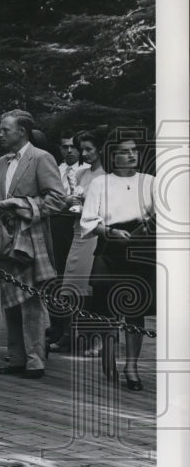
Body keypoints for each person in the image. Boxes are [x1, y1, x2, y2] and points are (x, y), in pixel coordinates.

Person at [0, 110, 66, 379]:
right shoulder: (2, 162)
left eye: (5, 129)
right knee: (9, 300)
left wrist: (22, 206)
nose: (0, 134)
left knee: (31, 301)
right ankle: (16, 358)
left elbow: (58, 199)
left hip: (31, 240)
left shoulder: (42, 158)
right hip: (5, 240)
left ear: (21, 131)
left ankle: (35, 361)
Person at [80, 131, 155, 390]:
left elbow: (165, 215)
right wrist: (110, 232)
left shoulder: (150, 182)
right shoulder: (100, 183)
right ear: (113, 154)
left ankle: (132, 367)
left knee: (136, 311)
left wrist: (150, 225)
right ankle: (109, 357)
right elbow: (89, 220)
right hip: (110, 249)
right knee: (107, 310)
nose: (131, 154)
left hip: (139, 253)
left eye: (135, 150)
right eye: (125, 150)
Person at [52, 128, 107, 354]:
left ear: (101, 149)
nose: (83, 153)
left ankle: (97, 339)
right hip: (77, 234)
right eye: (81, 149)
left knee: (91, 289)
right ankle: (70, 334)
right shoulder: (82, 174)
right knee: (72, 287)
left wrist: (84, 208)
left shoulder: (106, 175)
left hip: (95, 236)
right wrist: (71, 202)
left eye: (88, 149)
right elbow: (70, 199)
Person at [47, 130, 92, 352]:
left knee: (77, 281)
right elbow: (50, 197)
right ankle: (59, 328)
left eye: (72, 147)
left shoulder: (86, 171)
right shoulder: (57, 169)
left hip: (78, 227)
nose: (69, 151)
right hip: (57, 225)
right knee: (56, 280)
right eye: (64, 147)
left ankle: (79, 332)